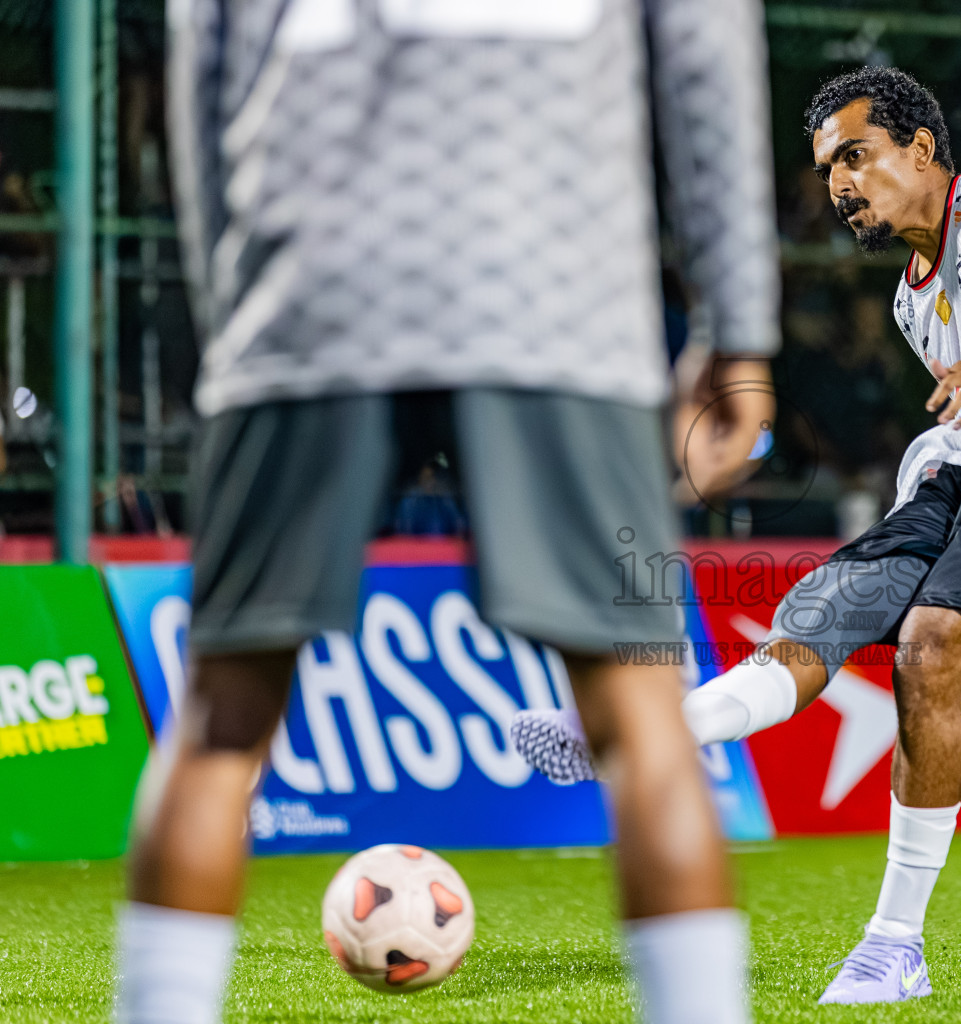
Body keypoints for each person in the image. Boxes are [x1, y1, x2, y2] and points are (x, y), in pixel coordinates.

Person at [122, 3, 779, 1024]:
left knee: (218, 723)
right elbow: (705, 55)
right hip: (553, 300)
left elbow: (202, 60)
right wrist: (738, 328)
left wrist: (239, 323)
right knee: (643, 721)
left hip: (309, 293)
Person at [511, 66, 961, 1005]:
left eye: (856, 156)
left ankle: (895, 946)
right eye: (827, 170)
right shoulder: (910, 301)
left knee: (932, 650)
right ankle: (633, 737)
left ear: (922, 149)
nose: (840, 185)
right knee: (818, 615)